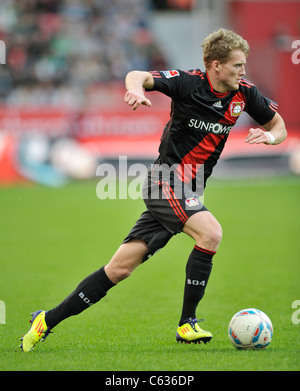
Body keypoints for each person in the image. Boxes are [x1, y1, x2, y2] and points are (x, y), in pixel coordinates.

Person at [20, 28, 287, 352]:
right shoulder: (187, 83)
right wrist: (135, 90)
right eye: (236, 65)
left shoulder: (244, 93)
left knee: (118, 269)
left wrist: (270, 138)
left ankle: (45, 321)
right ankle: (187, 323)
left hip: (188, 189)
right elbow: (137, 75)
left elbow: (278, 125)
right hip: (165, 181)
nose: (243, 71)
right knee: (211, 233)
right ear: (215, 65)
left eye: (244, 65)